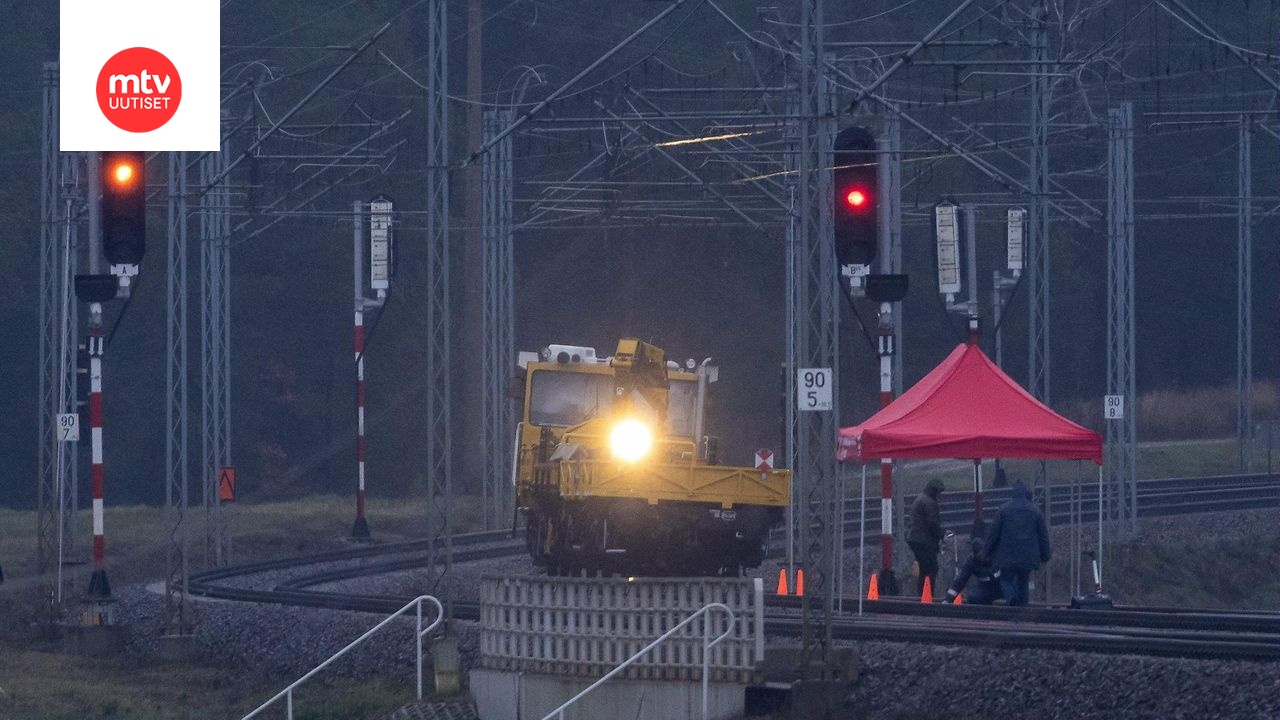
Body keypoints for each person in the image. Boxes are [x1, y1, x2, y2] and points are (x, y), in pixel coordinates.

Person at [984, 481, 1051, 607]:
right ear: (1026, 494)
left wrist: (986, 552)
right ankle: (1023, 610)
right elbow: (1043, 536)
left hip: (1007, 556)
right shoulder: (1035, 511)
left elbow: (993, 534)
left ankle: (1011, 598)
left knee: (1005, 579)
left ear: (1013, 494)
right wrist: (1045, 555)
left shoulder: (1003, 509)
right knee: (1023, 582)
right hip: (1028, 557)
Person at [907, 477, 947, 599]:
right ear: (934, 491)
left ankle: (924, 596)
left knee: (924, 569)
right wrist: (942, 534)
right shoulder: (929, 502)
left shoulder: (921, 499)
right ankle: (927, 596)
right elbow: (932, 523)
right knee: (930, 569)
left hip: (916, 539)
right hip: (923, 541)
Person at [945, 535, 1000, 605]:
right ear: (975, 554)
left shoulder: (996, 555)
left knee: (1012, 595)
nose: (983, 557)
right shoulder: (971, 562)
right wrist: (948, 599)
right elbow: (960, 581)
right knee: (973, 598)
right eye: (979, 555)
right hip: (985, 586)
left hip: (1000, 584)